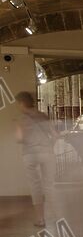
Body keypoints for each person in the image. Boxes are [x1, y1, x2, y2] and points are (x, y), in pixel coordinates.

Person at [14, 92, 57, 226]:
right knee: (49, 185)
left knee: (35, 186)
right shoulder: (43, 116)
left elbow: (19, 138)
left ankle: (40, 219)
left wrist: (19, 129)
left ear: (22, 103)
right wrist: (49, 146)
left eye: (18, 104)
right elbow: (55, 135)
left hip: (30, 154)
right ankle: (56, 217)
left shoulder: (21, 118)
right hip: (46, 153)